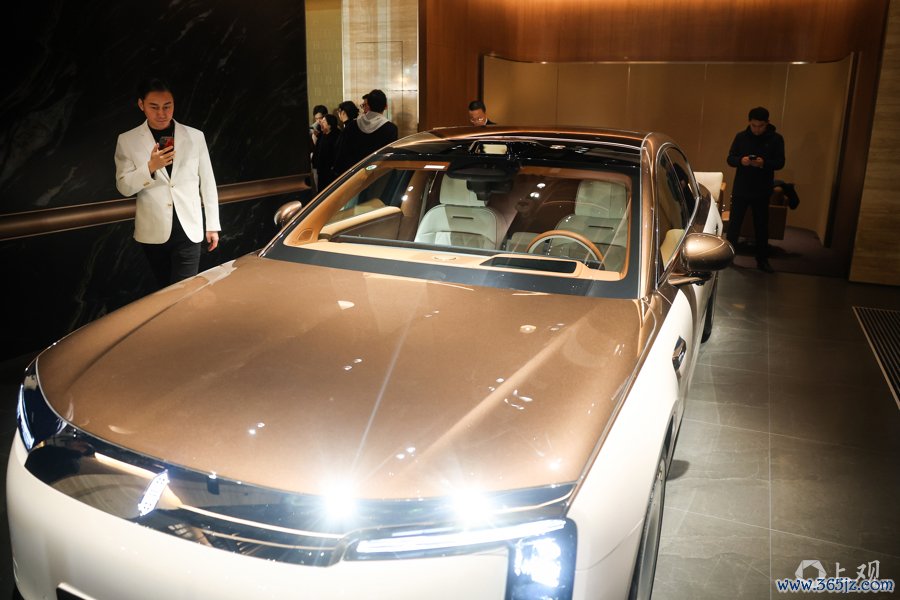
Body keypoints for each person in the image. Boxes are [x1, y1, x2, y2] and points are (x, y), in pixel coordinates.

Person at [114, 77, 220, 290]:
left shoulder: (194, 136)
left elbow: (208, 182)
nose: (161, 113)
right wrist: (150, 167)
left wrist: (212, 225)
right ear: (141, 105)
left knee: (185, 292)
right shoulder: (127, 140)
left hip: (189, 228)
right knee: (164, 292)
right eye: (154, 107)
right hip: (152, 231)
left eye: (167, 106)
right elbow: (124, 187)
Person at [726, 106, 785, 273]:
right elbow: (730, 158)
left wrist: (763, 163)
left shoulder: (776, 139)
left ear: (767, 123)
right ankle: (728, 257)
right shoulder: (741, 137)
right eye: (754, 125)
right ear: (749, 122)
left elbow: (780, 162)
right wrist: (741, 161)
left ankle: (762, 260)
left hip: (762, 189)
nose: (757, 129)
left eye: (761, 126)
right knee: (734, 224)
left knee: (761, 226)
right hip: (741, 187)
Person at [334, 89, 398, 174]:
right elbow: (389, 158)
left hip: (354, 174)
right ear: (386, 106)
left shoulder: (352, 124)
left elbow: (342, 152)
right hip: (377, 174)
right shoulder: (390, 129)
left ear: (368, 105)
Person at [313, 114, 340, 190]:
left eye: (324, 121)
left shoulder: (337, 136)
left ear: (330, 125)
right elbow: (317, 150)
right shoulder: (322, 135)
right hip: (321, 170)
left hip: (330, 172)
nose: (321, 123)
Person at [309, 104, 329, 191]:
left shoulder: (331, 128)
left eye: (320, 118)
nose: (318, 121)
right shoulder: (313, 129)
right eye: (316, 119)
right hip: (316, 163)